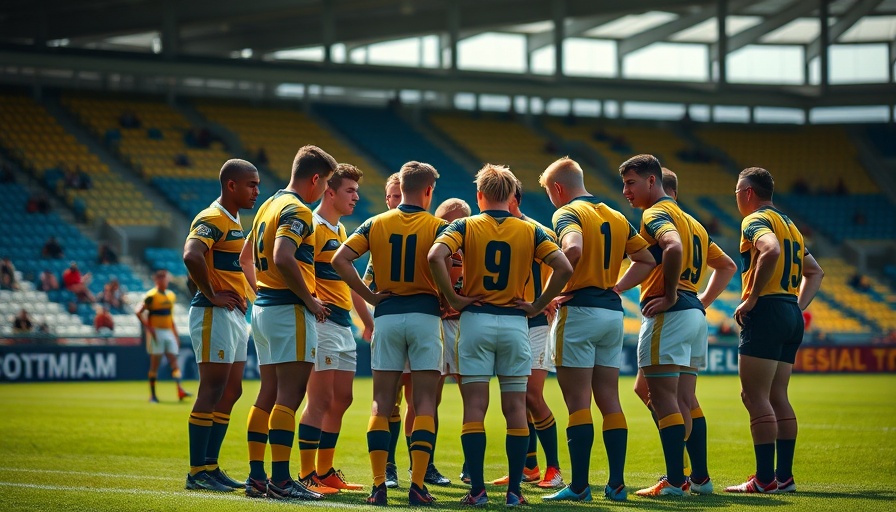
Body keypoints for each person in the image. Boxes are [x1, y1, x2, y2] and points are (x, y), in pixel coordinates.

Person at [428, 164, 572, 507]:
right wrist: (538, 304)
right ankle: (515, 493)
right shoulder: (530, 231)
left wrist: (452, 298)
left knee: (474, 407)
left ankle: (477, 491)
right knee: (515, 410)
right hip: (514, 323)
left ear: (479, 196)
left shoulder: (465, 225)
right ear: (511, 198)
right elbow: (565, 266)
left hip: (475, 320)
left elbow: (436, 255)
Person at [536, 158, 655, 503]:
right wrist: (617, 287)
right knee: (610, 399)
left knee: (577, 404)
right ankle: (617, 485)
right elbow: (646, 259)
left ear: (557, 188)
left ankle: (579, 487)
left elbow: (572, 248)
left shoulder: (567, 213)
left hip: (579, 312)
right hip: (610, 312)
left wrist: (549, 294)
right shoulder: (616, 215)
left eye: (550, 194)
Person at [618, 154, 735, 497]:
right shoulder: (693, 222)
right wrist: (699, 302)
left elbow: (672, 246)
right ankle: (699, 477)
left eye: (631, 183)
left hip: (670, 313)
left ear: (652, 182)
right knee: (677, 396)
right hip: (692, 314)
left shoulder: (655, 214)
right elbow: (726, 265)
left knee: (664, 397)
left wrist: (670, 295)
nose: (626, 190)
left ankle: (675, 479)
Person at [332, 161, 446, 506]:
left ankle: (379, 486)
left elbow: (340, 260)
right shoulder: (440, 226)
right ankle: (418, 486)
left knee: (382, 402)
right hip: (426, 316)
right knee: (424, 402)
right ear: (428, 190)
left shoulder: (374, 223)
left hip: (388, 317)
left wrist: (370, 297)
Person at [241, 145, 337, 501]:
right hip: (288, 310)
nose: (322, 191)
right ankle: (281, 480)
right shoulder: (297, 209)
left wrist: (262, 292)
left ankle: (256, 477)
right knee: (289, 395)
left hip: (264, 308)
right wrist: (309, 298)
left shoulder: (267, 205)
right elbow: (283, 255)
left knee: (266, 394)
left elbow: (244, 256)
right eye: (324, 183)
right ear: (315, 179)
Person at [725, 167, 824, 494]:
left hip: (767, 310)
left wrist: (752, 297)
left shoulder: (754, 220)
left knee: (755, 397)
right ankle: (784, 477)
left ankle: (764, 479)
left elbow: (770, 250)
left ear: (748, 192)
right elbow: (815, 272)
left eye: (737, 191)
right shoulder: (790, 225)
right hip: (789, 312)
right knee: (777, 396)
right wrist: (796, 306)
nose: (736, 196)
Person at [182, 158, 259, 492]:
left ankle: (211, 466)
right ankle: (197, 470)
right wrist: (212, 294)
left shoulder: (234, 220)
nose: (256, 190)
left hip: (234, 315)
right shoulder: (212, 218)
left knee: (231, 390)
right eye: (251, 184)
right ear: (231, 185)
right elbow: (191, 254)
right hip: (213, 313)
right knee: (212, 389)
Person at [296, 163, 374, 492]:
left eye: (356, 191)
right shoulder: (310, 226)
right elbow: (292, 267)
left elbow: (350, 285)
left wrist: (367, 322)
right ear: (330, 192)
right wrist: (310, 300)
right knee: (320, 400)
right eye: (350, 191)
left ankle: (325, 470)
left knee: (342, 399)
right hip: (323, 323)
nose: (356, 197)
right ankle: (305, 474)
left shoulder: (341, 232)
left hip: (344, 324)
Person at [489, 178, 566, 490]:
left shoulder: (538, 232)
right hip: (507, 322)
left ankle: (554, 469)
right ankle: (528, 467)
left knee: (532, 395)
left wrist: (543, 303)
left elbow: (560, 274)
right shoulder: (493, 229)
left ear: (513, 200)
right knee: (516, 398)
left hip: (533, 325)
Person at [136, 270, 191, 403]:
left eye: (166, 279)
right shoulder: (151, 296)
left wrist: (175, 334)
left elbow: (170, 318)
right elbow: (138, 312)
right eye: (164, 279)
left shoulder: (171, 295)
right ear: (157, 280)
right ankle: (153, 396)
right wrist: (149, 328)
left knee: (174, 362)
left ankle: (180, 390)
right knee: (155, 365)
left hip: (168, 332)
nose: (166, 282)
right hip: (156, 332)